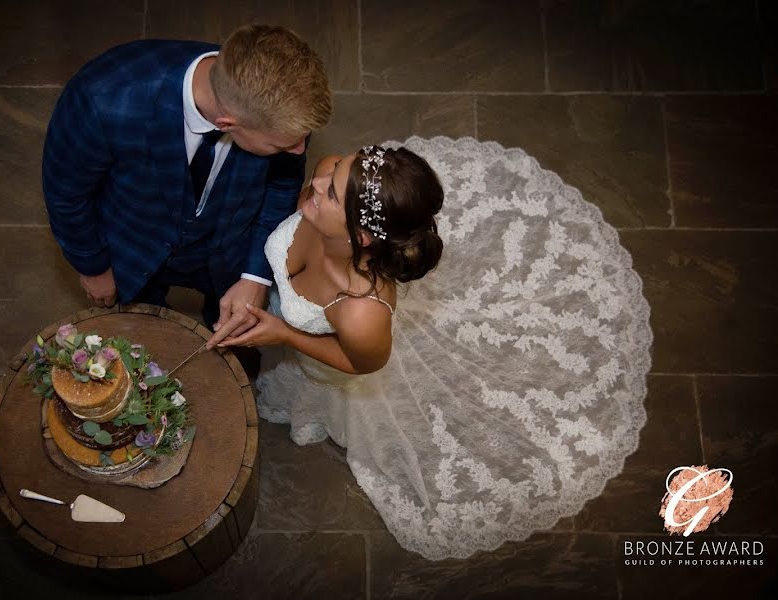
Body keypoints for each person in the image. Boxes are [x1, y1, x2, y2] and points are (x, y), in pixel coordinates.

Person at [219, 137, 652, 560]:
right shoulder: (323, 180)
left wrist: (287, 335)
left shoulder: (361, 313)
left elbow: (359, 363)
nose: (319, 179)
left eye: (331, 189)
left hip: (319, 355)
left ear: (365, 237)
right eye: (335, 170)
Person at [42, 25, 331, 340]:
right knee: (140, 339)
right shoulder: (101, 98)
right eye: (282, 147)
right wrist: (94, 267)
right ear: (227, 123)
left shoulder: (279, 106)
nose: (300, 151)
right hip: (133, 246)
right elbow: (67, 196)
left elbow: (281, 187)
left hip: (229, 250)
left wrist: (254, 276)